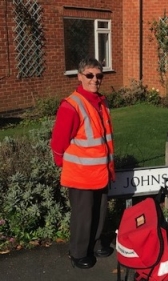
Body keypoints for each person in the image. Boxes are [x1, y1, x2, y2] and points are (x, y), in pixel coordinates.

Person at [51, 58, 115, 269]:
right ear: (79, 76)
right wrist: (65, 165)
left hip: (101, 171)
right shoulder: (72, 105)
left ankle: (95, 244)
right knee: (83, 215)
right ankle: (78, 252)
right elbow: (58, 142)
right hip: (81, 174)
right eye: (89, 75)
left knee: (99, 211)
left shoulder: (101, 102)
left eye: (99, 76)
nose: (94, 80)